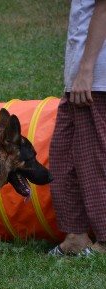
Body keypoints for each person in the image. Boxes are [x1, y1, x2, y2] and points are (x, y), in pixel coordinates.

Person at [49, 0, 106, 256]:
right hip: (79, 77)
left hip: (96, 77)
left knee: (93, 160)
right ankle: (76, 237)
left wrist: (86, 70)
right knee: (63, 155)